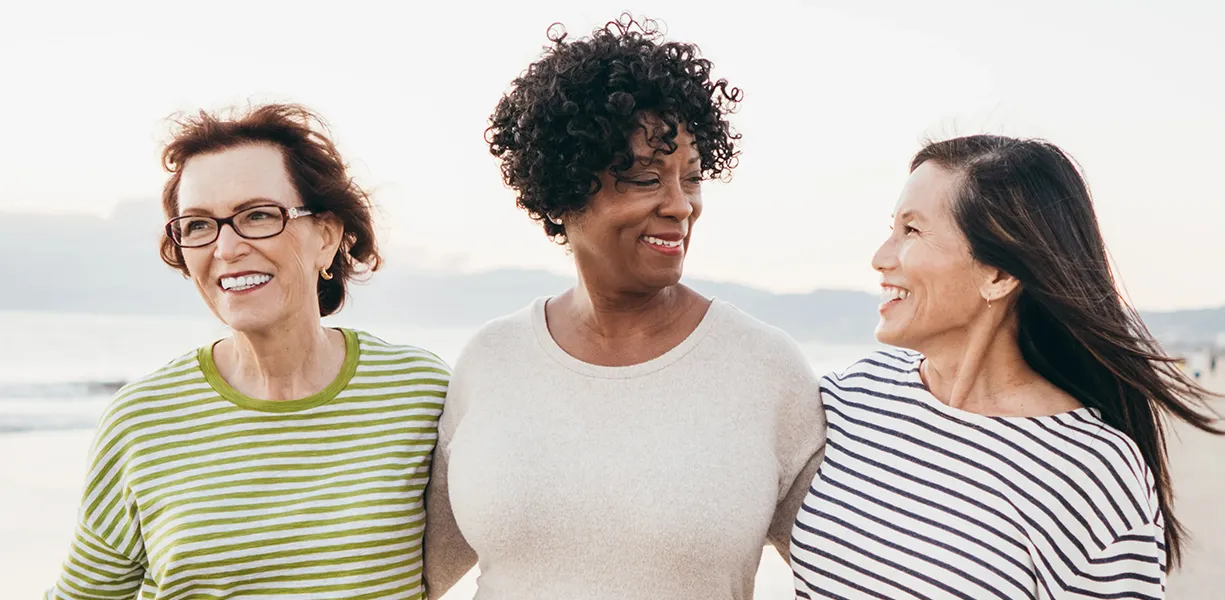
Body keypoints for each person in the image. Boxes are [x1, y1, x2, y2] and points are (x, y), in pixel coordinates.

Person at [422, 14, 825, 600]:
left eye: (691, 178)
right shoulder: (490, 361)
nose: (680, 206)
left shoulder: (765, 368)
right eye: (643, 179)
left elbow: (847, 571)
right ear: (560, 191)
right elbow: (418, 575)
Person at [790, 135, 1225, 599]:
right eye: (892, 228)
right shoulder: (852, 397)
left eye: (912, 231)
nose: (880, 257)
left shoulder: (1088, 468)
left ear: (998, 275)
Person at [46, 104, 450, 599]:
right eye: (197, 225)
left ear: (327, 237)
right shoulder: (141, 422)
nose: (226, 247)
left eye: (258, 216)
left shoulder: (420, 392)